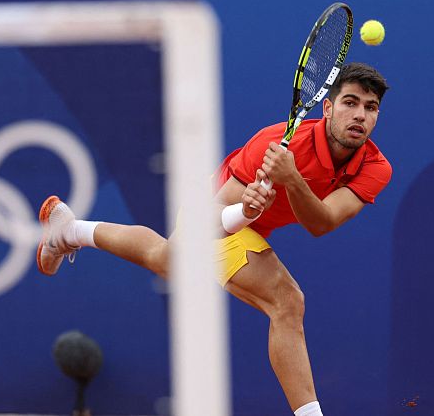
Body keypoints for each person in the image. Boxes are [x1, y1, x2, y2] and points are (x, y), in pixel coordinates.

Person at [36, 62, 391, 416]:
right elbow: (213, 214)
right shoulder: (274, 141)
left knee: (166, 260)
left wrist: (290, 178)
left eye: (370, 107)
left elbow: (323, 223)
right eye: (350, 102)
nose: (360, 115)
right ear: (328, 107)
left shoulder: (375, 167)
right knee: (286, 302)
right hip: (212, 206)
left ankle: (69, 230)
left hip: (246, 223)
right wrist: (247, 211)